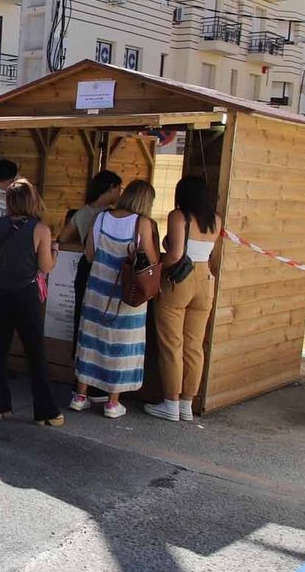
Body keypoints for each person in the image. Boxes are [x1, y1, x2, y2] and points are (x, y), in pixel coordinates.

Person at [71, 179, 159, 419]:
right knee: (120, 346)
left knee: (91, 341)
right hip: (126, 297)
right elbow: (150, 261)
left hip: (96, 290)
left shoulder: (101, 218)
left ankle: (80, 396)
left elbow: (89, 255)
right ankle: (112, 402)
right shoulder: (142, 223)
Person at [0, 180, 62, 427]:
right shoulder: (41, 230)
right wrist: (55, 252)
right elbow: (46, 267)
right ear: (32, 200)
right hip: (25, 293)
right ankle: (45, 411)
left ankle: (0, 406)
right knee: (35, 352)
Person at [147, 175, 222, 422]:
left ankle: (171, 402)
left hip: (181, 280)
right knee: (194, 346)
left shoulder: (179, 217)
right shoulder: (216, 221)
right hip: (206, 280)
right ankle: (187, 405)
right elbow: (212, 256)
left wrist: (158, 266)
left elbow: (176, 254)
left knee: (171, 344)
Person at [58, 170, 123, 327]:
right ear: (111, 188)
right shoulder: (113, 215)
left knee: (80, 316)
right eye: (119, 189)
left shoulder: (81, 213)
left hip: (85, 268)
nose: (120, 193)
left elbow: (62, 239)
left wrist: (84, 246)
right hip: (106, 270)